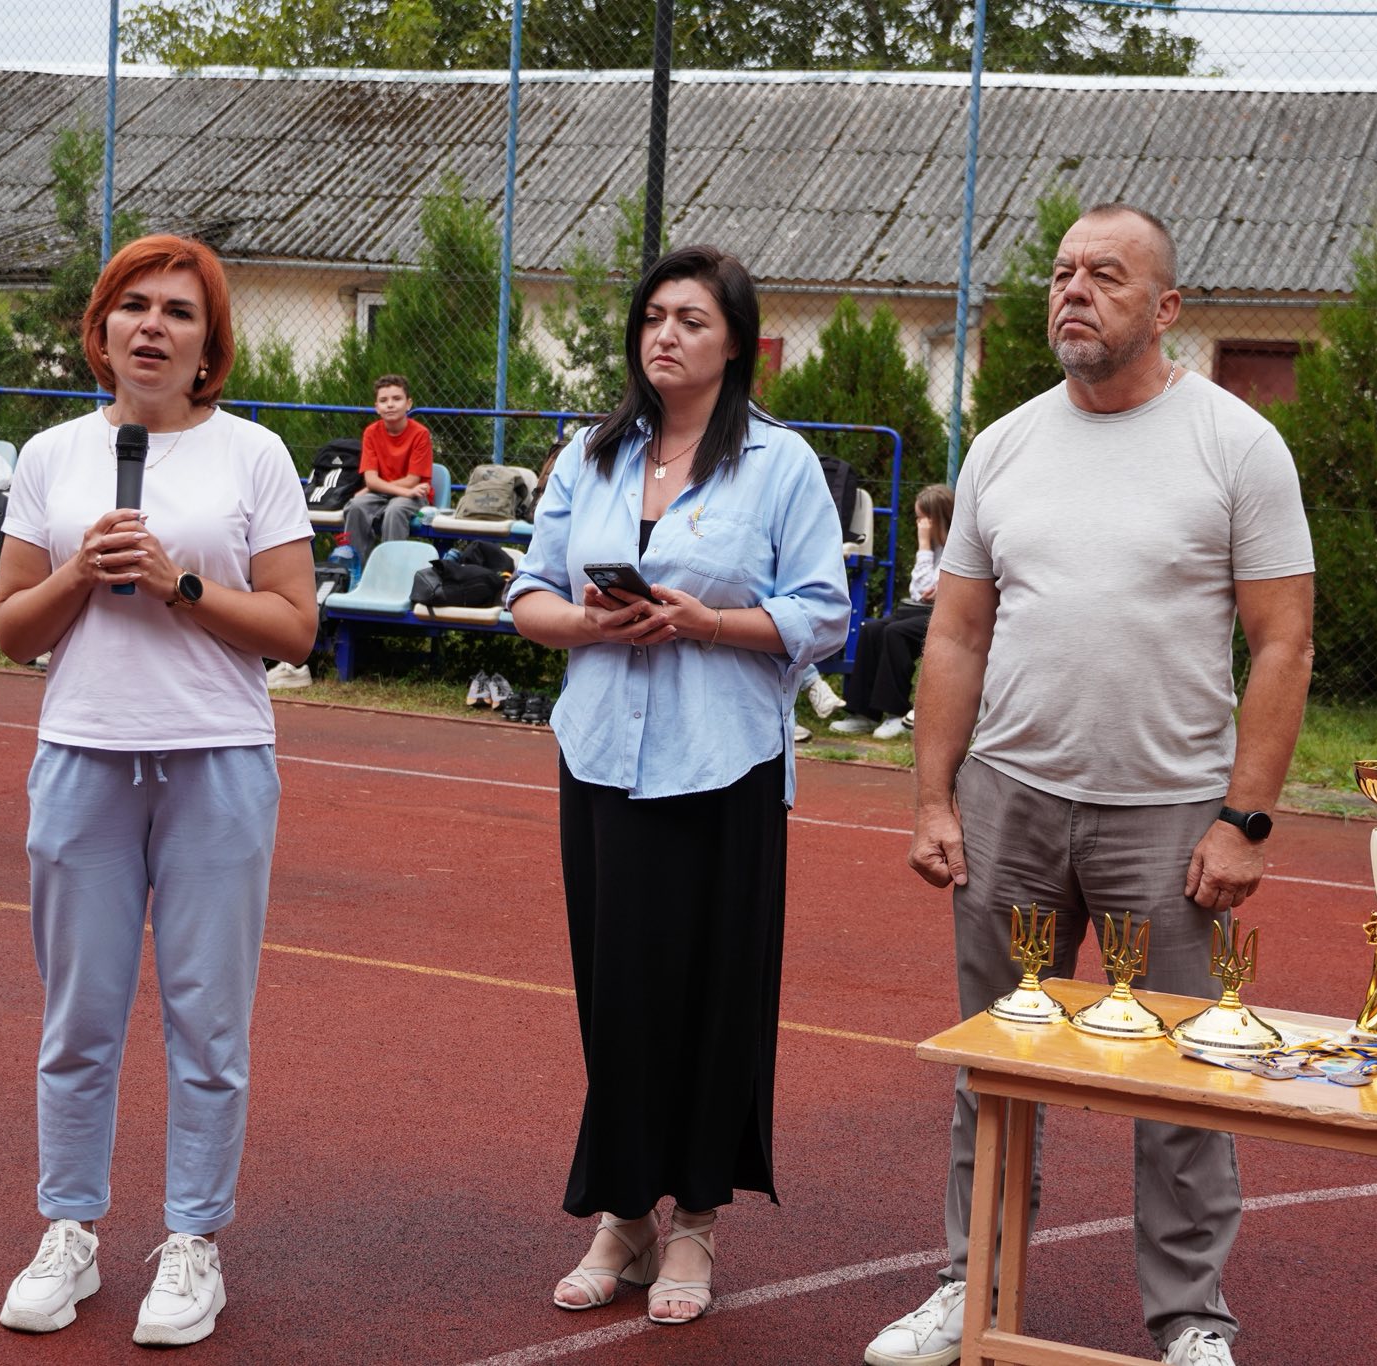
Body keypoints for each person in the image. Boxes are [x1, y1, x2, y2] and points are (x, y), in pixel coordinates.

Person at [865, 203, 1314, 1366]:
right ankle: (970, 1291)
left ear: (1164, 308)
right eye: (1062, 272)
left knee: (1181, 1077)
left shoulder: (1235, 445)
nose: (1073, 290)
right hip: (1009, 804)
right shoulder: (1004, 445)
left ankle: (1192, 1320)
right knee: (995, 1065)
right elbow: (956, 633)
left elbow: (1281, 642)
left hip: (1166, 817)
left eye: (1104, 275)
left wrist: (1242, 819)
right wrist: (932, 796)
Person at [507, 244, 850, 1327]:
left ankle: (695, 1218)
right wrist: (591, 621)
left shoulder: (781, 464)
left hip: (722, 762)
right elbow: (529, 593)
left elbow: (824, 613)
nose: (666, 334)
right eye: (654, 316)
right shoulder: (592, 454)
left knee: (712, 994)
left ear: (736, 342)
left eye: (691, 320)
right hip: (601, 756)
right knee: (615, 993)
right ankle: (624, 1217)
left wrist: (708, 623)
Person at [0, 234, 318, 1347]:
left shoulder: (253, 454)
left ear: (207, 345)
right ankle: (69, 1230)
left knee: (206, 1023)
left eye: (180, 312)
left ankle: (191, 1244)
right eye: (134, 306)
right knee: (77, 1019)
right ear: (101, 329)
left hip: (215, 760)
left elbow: (294, 626)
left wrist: (181, 585)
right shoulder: (51, 455)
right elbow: (11, 630)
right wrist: (82, 571)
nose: (153, 326)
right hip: (82, 755)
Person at [828, 482, 955, 740]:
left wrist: (923, 545)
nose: (918, 524)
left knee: (896, 633)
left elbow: (925, 589)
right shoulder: (934, 549)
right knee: (872, 630)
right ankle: (863, 713)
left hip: (948, 617)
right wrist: (927, 553)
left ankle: (896, 713)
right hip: (923, 611)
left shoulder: (955, 547)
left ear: (935, 519)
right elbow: (920, 591)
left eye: (921, 519)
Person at [346, 373, 434, 565]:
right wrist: (373, 487)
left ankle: (391, 570)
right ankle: (356, 569)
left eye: (397, 399)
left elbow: (412, 481)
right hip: (387, 494)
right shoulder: (371, 433)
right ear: (377, 407)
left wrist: (373, 488)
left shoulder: (420, 434)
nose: (390, 405)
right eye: (383, 400)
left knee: (395, 510)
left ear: (408, 404)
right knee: (356, 506)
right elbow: (371, 479)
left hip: (414, 496)